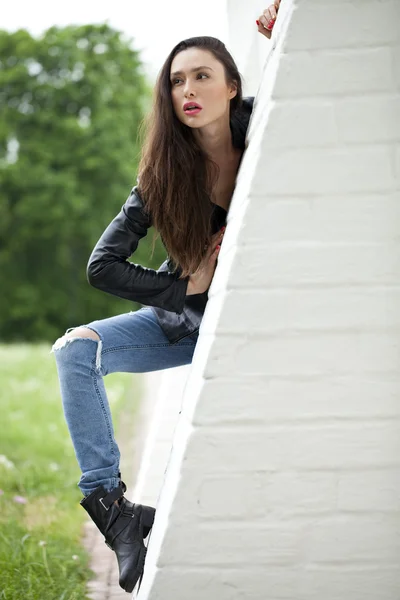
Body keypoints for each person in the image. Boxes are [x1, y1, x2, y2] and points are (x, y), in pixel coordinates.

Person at [52, 3, 280, 594]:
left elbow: (312, 97)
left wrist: (283, 31)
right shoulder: (163, 175)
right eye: (177, 80)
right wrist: (183, 288)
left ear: (232, 86)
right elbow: (100, 265)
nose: (189, 89)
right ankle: (114, 511)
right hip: (184, 322)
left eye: (203, 75)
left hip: (252, 324)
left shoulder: (270, 127)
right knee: (73, 351)